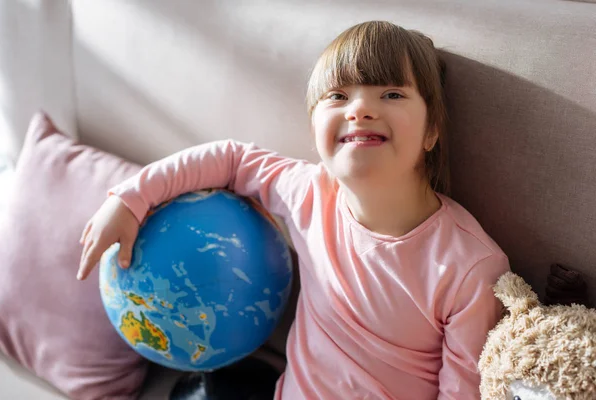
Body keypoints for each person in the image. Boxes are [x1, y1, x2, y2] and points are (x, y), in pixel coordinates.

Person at [77, 21, 510, 399]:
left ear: (432, 130)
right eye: (338, 96)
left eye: (392, 93)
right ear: (314, 127)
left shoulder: (469, 268)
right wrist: (128, 199)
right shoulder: (309, 193)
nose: (359, 109)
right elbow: (231, 159)